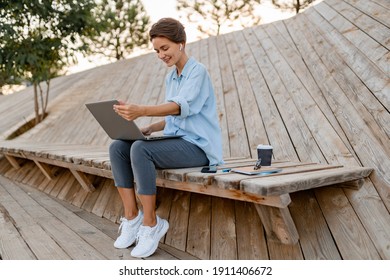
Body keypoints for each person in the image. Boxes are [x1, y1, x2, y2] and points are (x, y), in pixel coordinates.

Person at [109, 17, 223, 258]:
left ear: (181, 43)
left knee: (140, 150)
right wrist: (150, 127)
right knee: (118, 146)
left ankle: (151, 224)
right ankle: (132, 218)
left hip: (199, 148)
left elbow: (179, 107)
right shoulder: (172, 77)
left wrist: (141, 110)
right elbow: (174, 117)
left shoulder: (197, 72)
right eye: (156, 51)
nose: (161, 55)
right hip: (177, 141)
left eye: (165, 48)